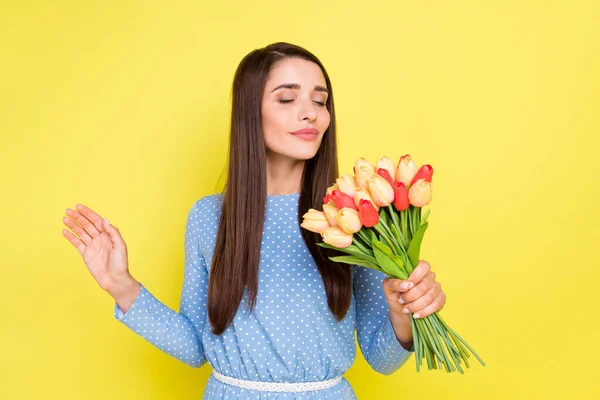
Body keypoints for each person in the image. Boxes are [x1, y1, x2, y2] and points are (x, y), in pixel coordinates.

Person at [61, 42, 446, 399]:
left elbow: (382, 358)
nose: (310, 112)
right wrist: (120, 285)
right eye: (287, 98)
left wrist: (404, 312)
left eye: (320, 100)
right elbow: (197, 347)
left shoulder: (354, 217)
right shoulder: (208, 217)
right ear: (250, 111)